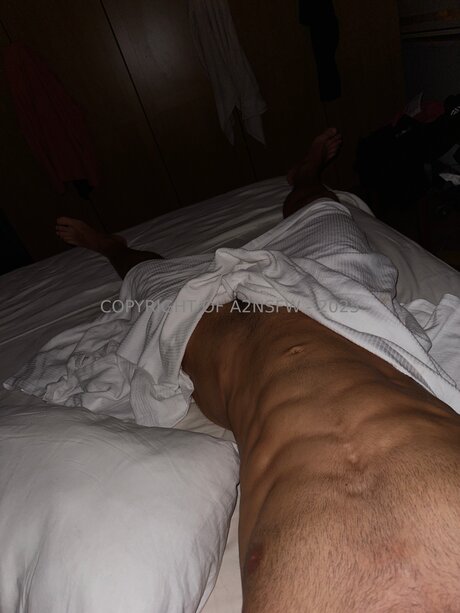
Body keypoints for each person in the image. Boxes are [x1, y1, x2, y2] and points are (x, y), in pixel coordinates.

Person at [56, 130, 460, 612]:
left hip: (213, 334)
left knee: (146, 279)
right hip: (343, 302)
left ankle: (111, 247)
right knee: (324, 212)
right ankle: (305, 177)